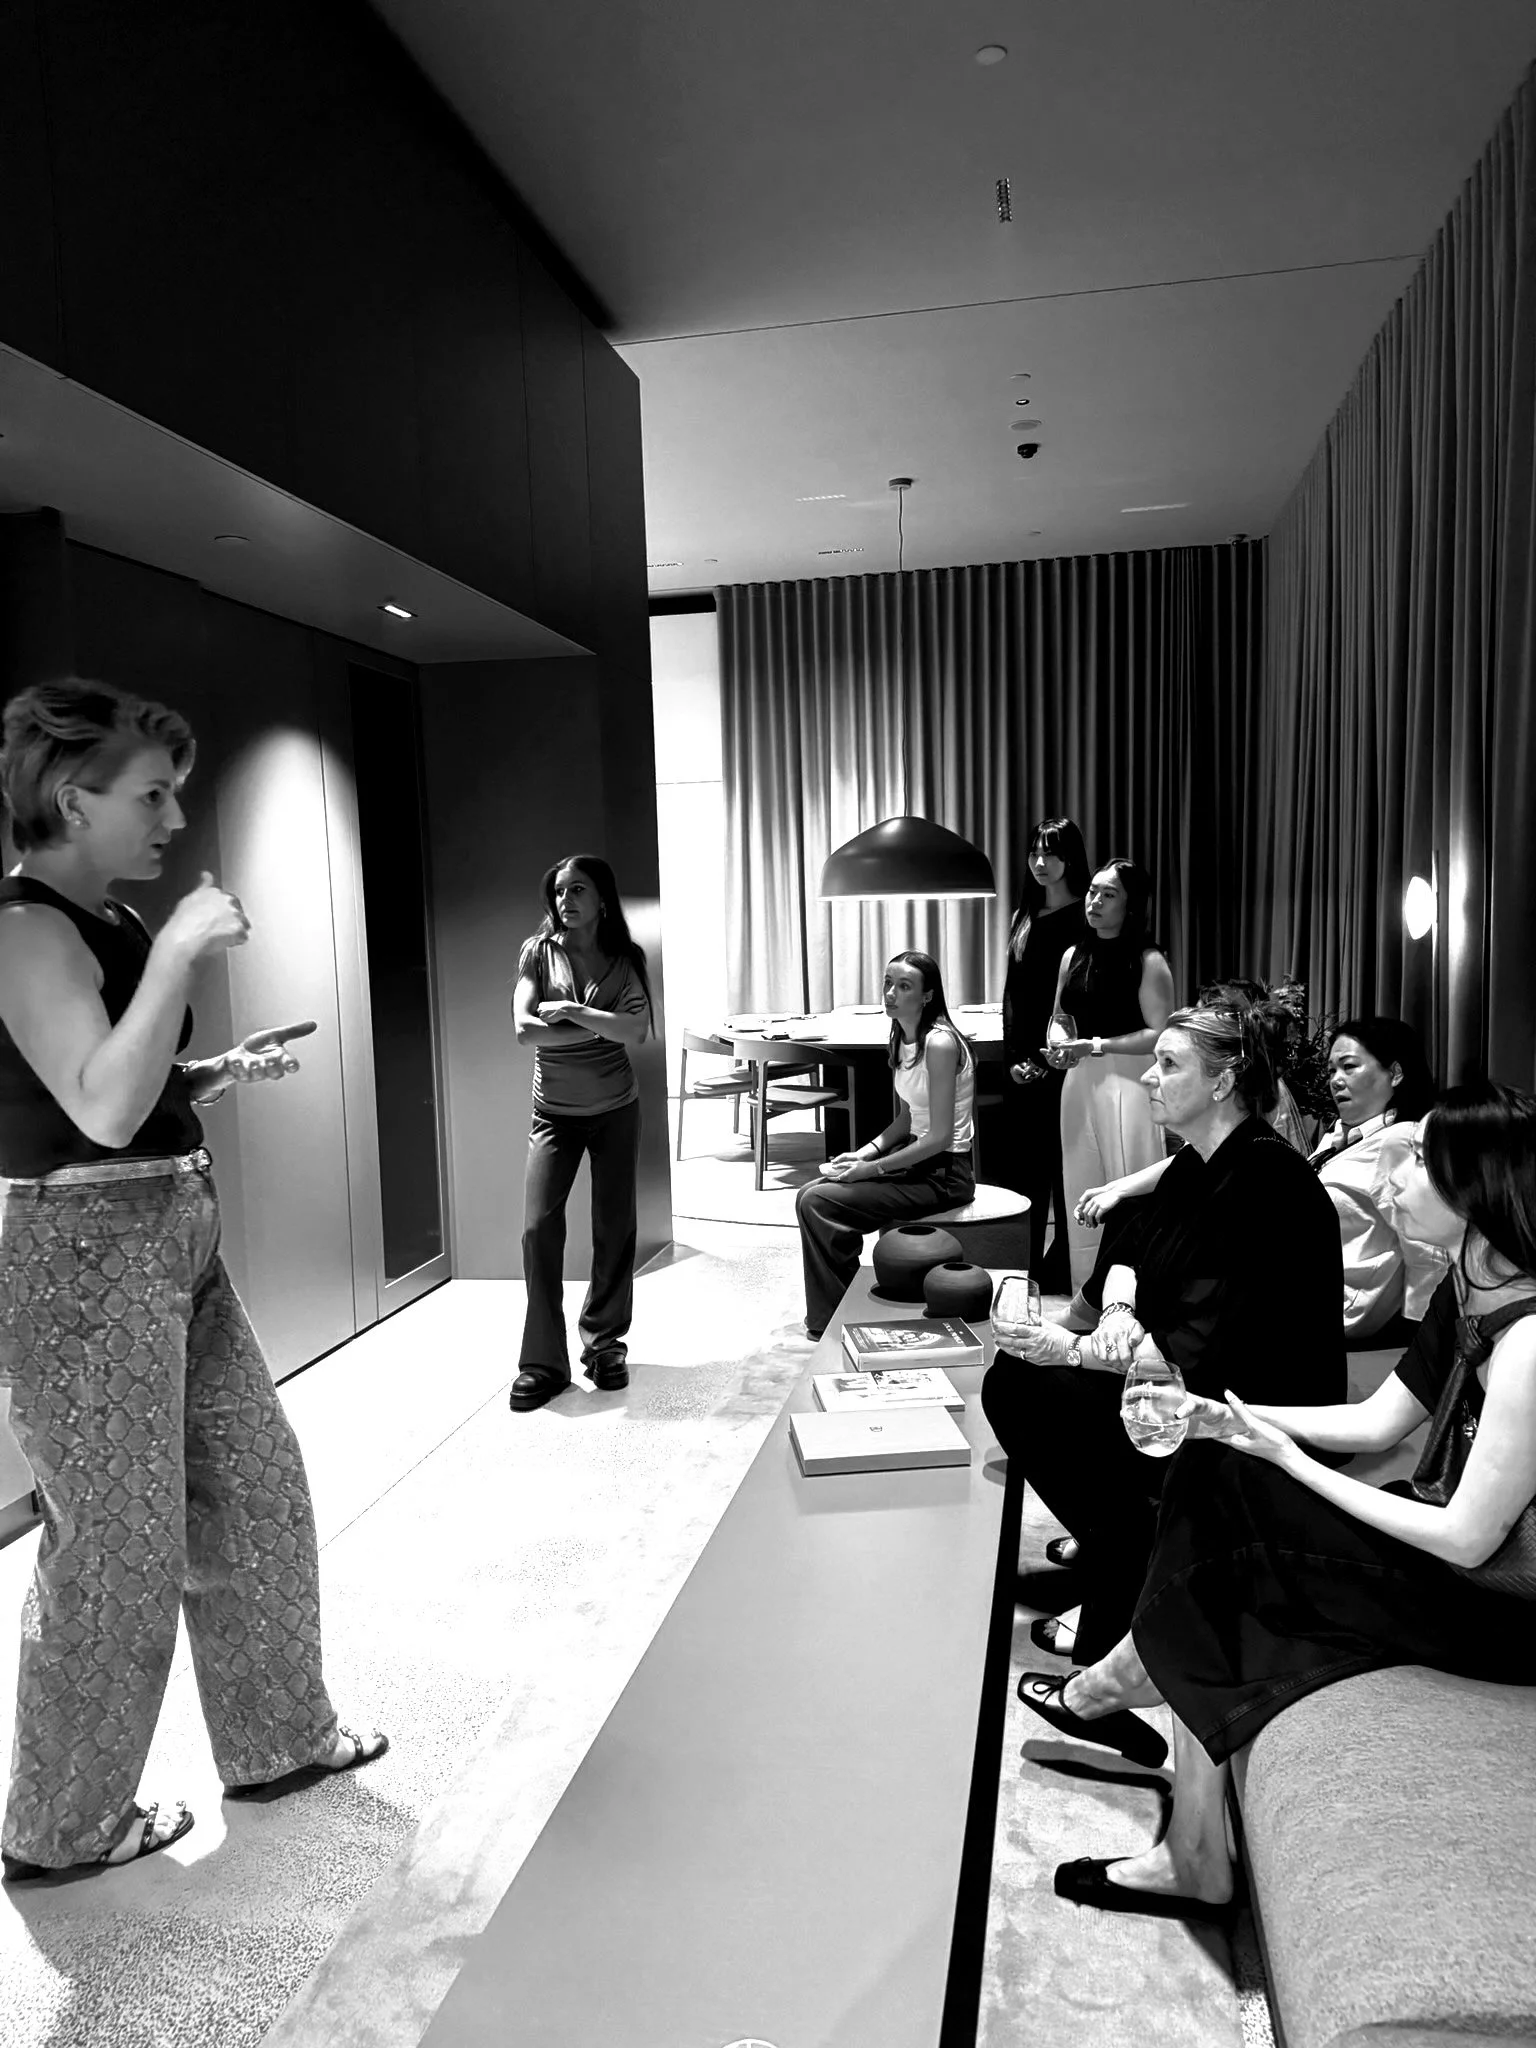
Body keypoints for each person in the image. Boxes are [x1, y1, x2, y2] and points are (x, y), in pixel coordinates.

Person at [0, 679, 385, 1883]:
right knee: (116, 1546)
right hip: (83, 1254)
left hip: (170, 1230)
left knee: (255, 1487)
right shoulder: (25, 927)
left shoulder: (102, 917)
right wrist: (177, 950)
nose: (175, 814)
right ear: (74, 795)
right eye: (152, 791)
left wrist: (207, 1071)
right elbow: (99, 1102)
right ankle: (57, 1826)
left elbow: (127, 1084)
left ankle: (276, 1735)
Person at [1019, 1082, 1536, 1923]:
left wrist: (1287, 1458)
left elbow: (1468, 1540)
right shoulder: (1473, 1280)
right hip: (1450, 1559)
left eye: (1417, 1162)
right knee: (1211, 1467)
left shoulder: (1530, 1341)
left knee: (1227, 1546)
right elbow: (1380, 1421)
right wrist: (1229, 1418)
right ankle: (1179, 1815)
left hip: (1494, 1611)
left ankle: (1132, 1709)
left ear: (1473, 1185)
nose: (1392, 1179)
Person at [981, 1000, 1347, 1666]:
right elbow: (1127, 1253)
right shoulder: (1195, 1161)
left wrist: (1074, 1348)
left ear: (1223, 1083)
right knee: (1016, 1381)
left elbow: (1192, 1357)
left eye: (1167, 1064)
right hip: (1197, 1377)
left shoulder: (1268, 1184)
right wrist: (1117, 1312)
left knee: (1045, 1393)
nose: (1150, 1077)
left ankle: (1135, 1584)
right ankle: (1117, 1546)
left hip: (1251, 1408)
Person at [1077, 1010, 1445, 1339]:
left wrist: (1418, 1334)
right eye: (1332, 1069)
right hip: (1291, 1286)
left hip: (1331, 1302)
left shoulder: (1399, 1141)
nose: (1336, 1080)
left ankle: (1094, 1323)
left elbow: (1425, 1248)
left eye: (1350, 1067)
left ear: (1395, 1073)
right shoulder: (1340, 1137)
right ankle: (1093, 1316)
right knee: (1142, 1227)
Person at [509, 854, 653, 1413]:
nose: (566, 900)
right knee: (538, 1228)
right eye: (560, 891)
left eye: (578, 890)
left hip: (617, 1108)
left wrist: (568, 1013)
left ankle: (605, 1343)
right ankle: (543, 1363)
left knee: (614, 1227)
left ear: (602, 900)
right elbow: (524, 1032)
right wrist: (601, 1025)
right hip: (555, 1114)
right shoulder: (538, 953)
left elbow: (637, 1031)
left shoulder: (625, 959)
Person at [793, 951, 975, 1341]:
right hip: (919, 1160)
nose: (890, 993)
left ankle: (832, 1318)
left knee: (819, 1202)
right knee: (810, 1191)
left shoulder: (940, 1043)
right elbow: (910, 1115)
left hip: (945, 1173)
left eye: (904, 986)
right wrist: (866, 1152)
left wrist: (873, 1169)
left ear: (928, 996)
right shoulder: (903, 1036)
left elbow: (940, 1136)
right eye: (888, 984)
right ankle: (837, 1310)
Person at [1044, 858, 1175, 1290]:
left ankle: (1141, 1289)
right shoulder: (1072, 956)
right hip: (1080, 1079)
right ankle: (1088, 1292)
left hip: (1131, 1080)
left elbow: (1161, 1033)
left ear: (1130, 904)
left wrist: (1096, 1046)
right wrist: (1058, 1054)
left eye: (1108, 894)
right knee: (1080, 1181)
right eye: (1092, 892)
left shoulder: (1147, 959)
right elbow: (1060, 1019)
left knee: (1129, 1176)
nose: (1095, 901)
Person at [997, 818, 1089, 1290]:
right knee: (1025, 1174)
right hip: (1023, 1065)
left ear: (1070, 858)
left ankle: (1067, 1268)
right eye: (1034, 853)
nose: (1039, 862)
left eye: (1049, 854)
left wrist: (1047, 1054)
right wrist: (1015, 1055)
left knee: (1064, 1171)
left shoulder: (1083, 918)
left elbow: (1077, 1001)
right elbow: (1013, 995)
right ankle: (1023, 1268)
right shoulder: (1025, 915)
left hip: (1065, 1061)